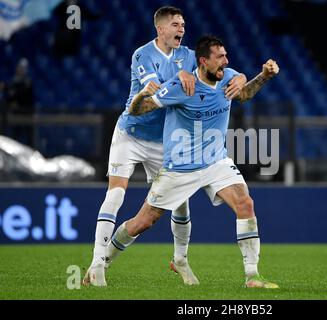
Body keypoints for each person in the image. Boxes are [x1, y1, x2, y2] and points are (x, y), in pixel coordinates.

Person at [83, 7, 246, 287]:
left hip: (163, 140)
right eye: (175, 24)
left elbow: (219, 71)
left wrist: (240, 77)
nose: (181, 29)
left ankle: (180, 260)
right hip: (131, 134)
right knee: (116, 195)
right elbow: (155, 92)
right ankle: (98, 263)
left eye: (183, 24)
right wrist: (181, 77)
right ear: (160, 29)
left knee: (180, 203)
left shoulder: (187, 55)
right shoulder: (142, 55)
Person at [105, 35, 280, 288]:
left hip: (215, 161)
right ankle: (103, 261)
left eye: (226, 56)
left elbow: (244, 94)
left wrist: (264, 76)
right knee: (143, 222)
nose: (226, 61)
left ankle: (252, 276)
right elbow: (139, 109)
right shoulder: (182, 86)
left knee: (245, 203)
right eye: (219, 58)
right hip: (180, 168)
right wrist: (139, 98)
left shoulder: (228, 77)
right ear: (203, 61)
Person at [5, 58, 35, 146]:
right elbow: (10, 97)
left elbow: (26, 95)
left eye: (23, 68)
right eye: (20, 68)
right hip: (16, 113)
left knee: (29, 137)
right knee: (15, 137)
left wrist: (16, 93)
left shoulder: (28, 82)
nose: (21, 70)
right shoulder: (13, 82)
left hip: (27, 113)